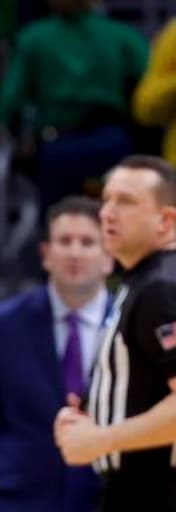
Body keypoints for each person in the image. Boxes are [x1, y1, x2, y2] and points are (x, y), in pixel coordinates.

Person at [0, 195, 112, 512]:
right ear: (45, 254)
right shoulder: (1, 324)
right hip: (13, 501)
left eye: (87, 242)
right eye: (64, 241)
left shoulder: (130, 322)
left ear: (109, 257)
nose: (74, 251)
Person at [55, 155, 176, 511]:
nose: (106, 212)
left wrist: (99, 438)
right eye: (105, 199)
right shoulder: (141, 281)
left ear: (166, 220)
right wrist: (91, 414)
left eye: (125, 202)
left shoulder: (161, 288)